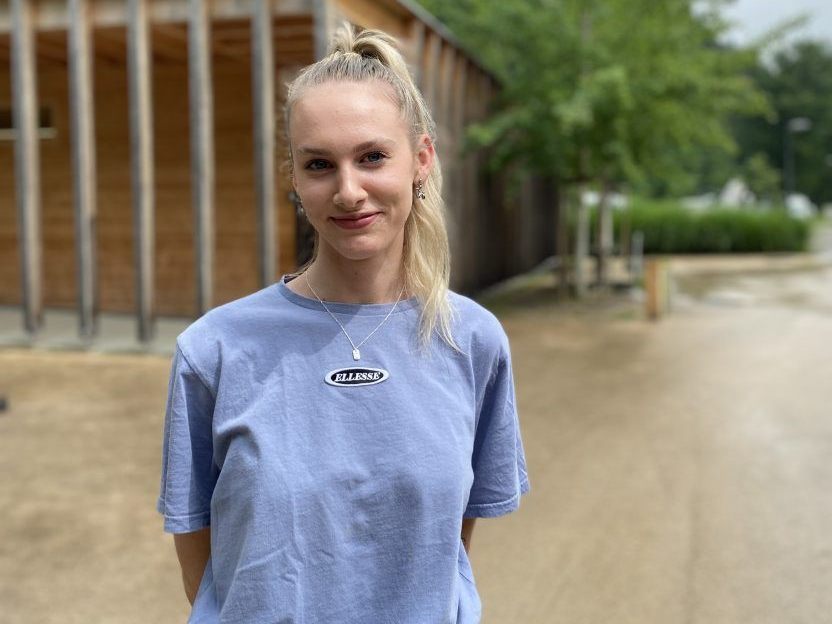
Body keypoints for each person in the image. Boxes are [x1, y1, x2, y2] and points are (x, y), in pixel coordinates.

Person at [156, 22, 529, 624]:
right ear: (295, 179)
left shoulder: (472, 340)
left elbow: (447, 544)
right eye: (319, 164)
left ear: (422, 160)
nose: (349, 191)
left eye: (373, 157)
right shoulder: (215, 349)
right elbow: (198, 551)